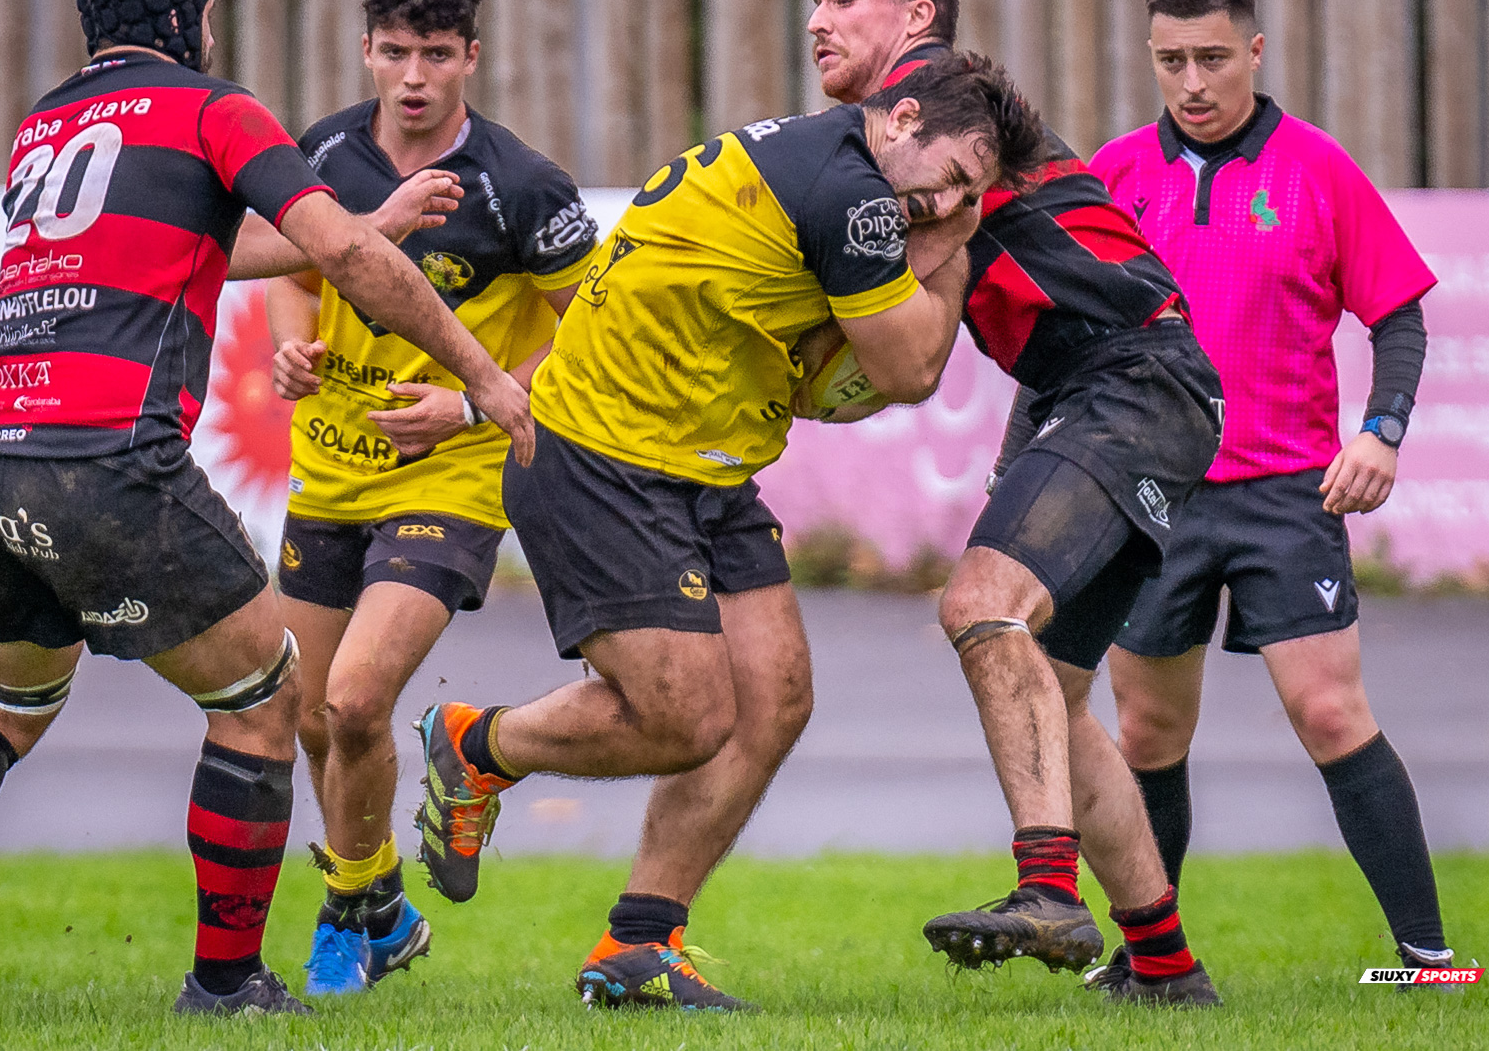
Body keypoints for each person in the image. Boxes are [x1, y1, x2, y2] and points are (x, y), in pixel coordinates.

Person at [0, 0, 534, 1020]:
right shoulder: (212, 107)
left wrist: (357, 219)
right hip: (106, 454)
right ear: (190, 16)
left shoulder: (46, 124)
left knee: (4, 696)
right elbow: (348, 260)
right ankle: (227, 982)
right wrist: (486, 376)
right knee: (271, 692)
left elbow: (198, 245)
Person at [412, 55, 1046, 1011]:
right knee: (688, 718)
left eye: (969, 190)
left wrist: (937, 218)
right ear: (902, 117)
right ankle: (477, 746)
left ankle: (638, 946)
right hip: (600, 456)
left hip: (703, 458)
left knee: (775, 700)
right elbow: (912, 368)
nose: (949, 198)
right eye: (953, 172)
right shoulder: (855, 195)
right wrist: (962, 236)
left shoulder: (825, 158)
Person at [807, 0, 1222, 1005]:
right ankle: (1168, 969)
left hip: (1133, 379)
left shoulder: (940, 92)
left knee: (980, 604)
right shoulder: (891, 129)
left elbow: (936, 214)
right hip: (1111, 393)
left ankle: (1046, 889)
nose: (818, 18)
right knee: (1058, 699)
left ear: (914, 19)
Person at [1088, 0, 1453, 986]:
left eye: (1211, 57)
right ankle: (1145, 960)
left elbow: (1399, 317)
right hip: (1150, 493)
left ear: (1254, 49)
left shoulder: (1318, 169)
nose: (1192, 82)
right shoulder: (1116, 175)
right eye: (1171, 61)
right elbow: (1068, 332)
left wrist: (1381, 429)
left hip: (1287, 492)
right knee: (1148, 728)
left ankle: (1427, 958)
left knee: (1331, 712)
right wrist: (1021, 460)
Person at [237, 0, 597, 995]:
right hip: (331, 470)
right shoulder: (326, 152)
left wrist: (471, 395)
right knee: (307, 714)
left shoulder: (522, 186)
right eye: (394, 51)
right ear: (366, 50)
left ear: (470, 58)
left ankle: (350, 914)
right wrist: (291, 341)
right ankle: (377, 899)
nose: (414, 75)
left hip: (451, 475)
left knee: (353, 701)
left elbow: (592, 332)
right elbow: (293, 270)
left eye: (436, 54)